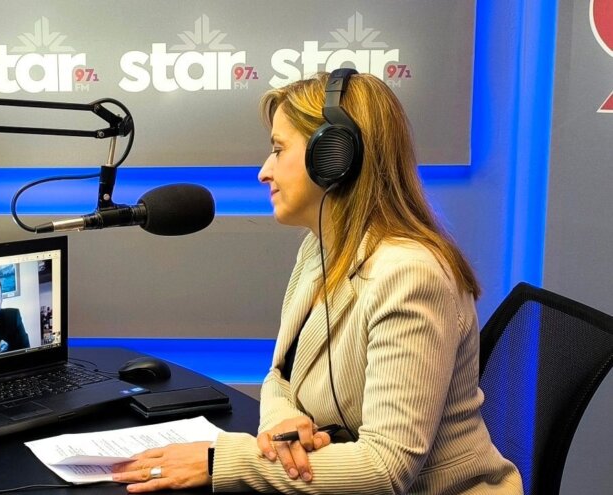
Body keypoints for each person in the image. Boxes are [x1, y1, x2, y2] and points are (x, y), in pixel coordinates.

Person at [111, 70, 523, 493]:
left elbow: (385, 469)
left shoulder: (410, 274)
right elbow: (280, 376)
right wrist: (283, 423)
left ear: (334, 158)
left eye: (278, 150)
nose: (264, 172)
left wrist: (222, 462)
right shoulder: (320, 247)